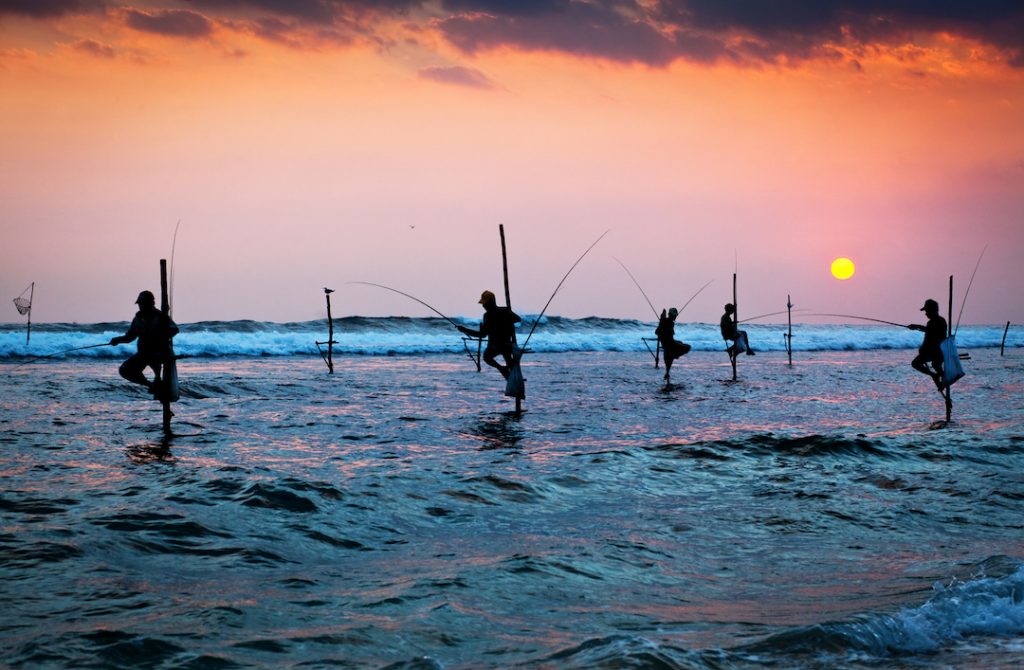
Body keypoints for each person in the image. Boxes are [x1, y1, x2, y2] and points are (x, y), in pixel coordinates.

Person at [110, 290, 179, 398]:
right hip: (143, 354)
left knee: (155, 366)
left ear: (151, 303)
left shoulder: (161, 316)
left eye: (143, 303)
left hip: (159, 353)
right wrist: (117, 340)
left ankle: (158, 382)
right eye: (140, 304)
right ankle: (150, 385)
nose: (141, 306)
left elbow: (174, 329)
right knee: (125, 370)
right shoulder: (137, 319)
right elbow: (130, 337)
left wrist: (161, 335)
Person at [458, 290, 522, 379]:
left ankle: (503, 370)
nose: (484, 306)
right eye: (483, 304)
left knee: (487, 357)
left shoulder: (488, 315)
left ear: (492, 302)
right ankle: (510, 375)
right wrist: (507, 316)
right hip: (506, 345)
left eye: (485, 303)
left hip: (495, 345)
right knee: (508, 359)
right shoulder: (505, 310)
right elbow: (518, 319)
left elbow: (482, 335)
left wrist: (465, 330)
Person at [908, 298, 947, 391]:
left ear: (932, 310)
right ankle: (939, 376)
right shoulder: (935, 321)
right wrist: (916, 327)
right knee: (935, 365)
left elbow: (931, 335)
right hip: (936, 351)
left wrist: (916, 327)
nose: (925, 313)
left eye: (927, 311)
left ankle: (937, 376)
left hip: (936, 351)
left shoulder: (937, 321)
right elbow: (928, 332)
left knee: (916, 363)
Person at [655, 307, 691, 381]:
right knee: (688, 347)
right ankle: (674, 355)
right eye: (674, 316)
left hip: (667, 344)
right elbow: (662, 333)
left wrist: (662, 322)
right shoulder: (668, 323)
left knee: (680, 343)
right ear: (670, 315)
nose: (675, 317)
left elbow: (657, 332)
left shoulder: (665, 322)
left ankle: (668, 371)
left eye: (675, 316)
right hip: (669, 344)